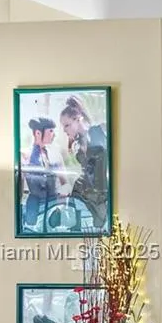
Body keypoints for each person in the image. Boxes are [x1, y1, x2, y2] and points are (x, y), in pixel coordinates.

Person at [59, 95, 109, 228]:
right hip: (86, 194)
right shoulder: (77, 144)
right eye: (63, 126)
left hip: (102, 194)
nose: (64, 130)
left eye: (67, 125)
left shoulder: (101, 129)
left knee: (102, 226)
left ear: (78, 119)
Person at [21, 117, 60, 232]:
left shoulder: (53, 154)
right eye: (50, 131)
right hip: (35, 205)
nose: (54, 135)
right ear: (38, 133)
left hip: (52, 203)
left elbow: (64, 181)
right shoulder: (25, 154)